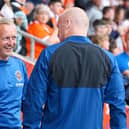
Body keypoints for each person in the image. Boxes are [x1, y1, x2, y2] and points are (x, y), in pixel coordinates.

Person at [23, 7, 127, 129]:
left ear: (67, 23)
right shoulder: (108, 58)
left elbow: (34, 101)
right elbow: (118, 105)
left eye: (58, 26)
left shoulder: (49, 54)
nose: (57, 32)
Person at [0, 18, 28, 128]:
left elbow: (26, 101)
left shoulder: (19, 65)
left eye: (14, 38)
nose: (11, 43)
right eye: (6, 38)